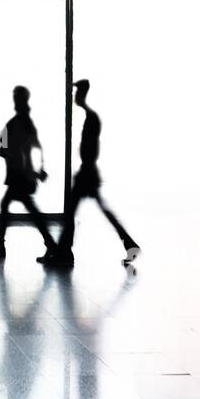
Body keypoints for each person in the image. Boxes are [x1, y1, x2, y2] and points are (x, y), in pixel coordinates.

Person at [44, 80, 139, 267]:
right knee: (95, 210)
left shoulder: (91, 118)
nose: (75, 98)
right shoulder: (91, 117)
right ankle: (129, 244)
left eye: (77, 94)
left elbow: (91, 148)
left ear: (83, 95)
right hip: (88, 171)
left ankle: (64, 252)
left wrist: (85, 168)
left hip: (87, 172)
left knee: (71, 211)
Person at [0, 85, 57, 259]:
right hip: (20, 174)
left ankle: (1, 244)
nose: (15, 100)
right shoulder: (21, 121)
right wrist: (38, 170)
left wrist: (34, 170)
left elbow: (7, 147)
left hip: (19, 174)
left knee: (12, 205)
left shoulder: (19, 121)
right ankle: (49, 244)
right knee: (20, 207)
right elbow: (31, 145)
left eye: (17, 97)